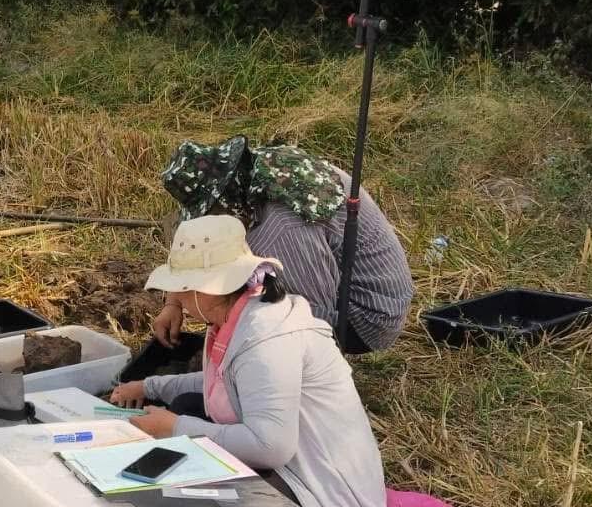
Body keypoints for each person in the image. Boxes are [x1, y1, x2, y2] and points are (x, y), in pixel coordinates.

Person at [110, 214, 386, 507]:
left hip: (327, 501)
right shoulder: (241, 314)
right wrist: (149, 387)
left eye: (183, 290)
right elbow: (221, 381)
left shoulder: (266, 339)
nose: (178, 300)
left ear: (210, 287)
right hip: (296, 464)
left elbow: (271, 447)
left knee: (179, 491)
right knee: (185, 413)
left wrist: (176, 427)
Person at [155, 136, 413, 354]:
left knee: (248, 302)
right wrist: (174, 302)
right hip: (351, 290)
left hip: (368, 316)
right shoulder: (261, 170)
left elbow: (315, 322)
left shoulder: (278, 229)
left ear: (225, 199)